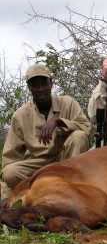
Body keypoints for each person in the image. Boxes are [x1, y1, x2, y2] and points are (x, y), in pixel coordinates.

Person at [0, 64, 93, 201]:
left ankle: (72, 189)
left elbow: (87, 130)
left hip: (66, 161)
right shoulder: (20, 115)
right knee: (9, 172)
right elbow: (10, 158)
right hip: (38, 166)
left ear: (51, 83)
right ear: (29, 88)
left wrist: (59, 121)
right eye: (35, 85)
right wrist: (5, 195)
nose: (40, 89)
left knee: (79, 136)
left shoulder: (68, 103)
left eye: (44, 83)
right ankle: (45, 189)